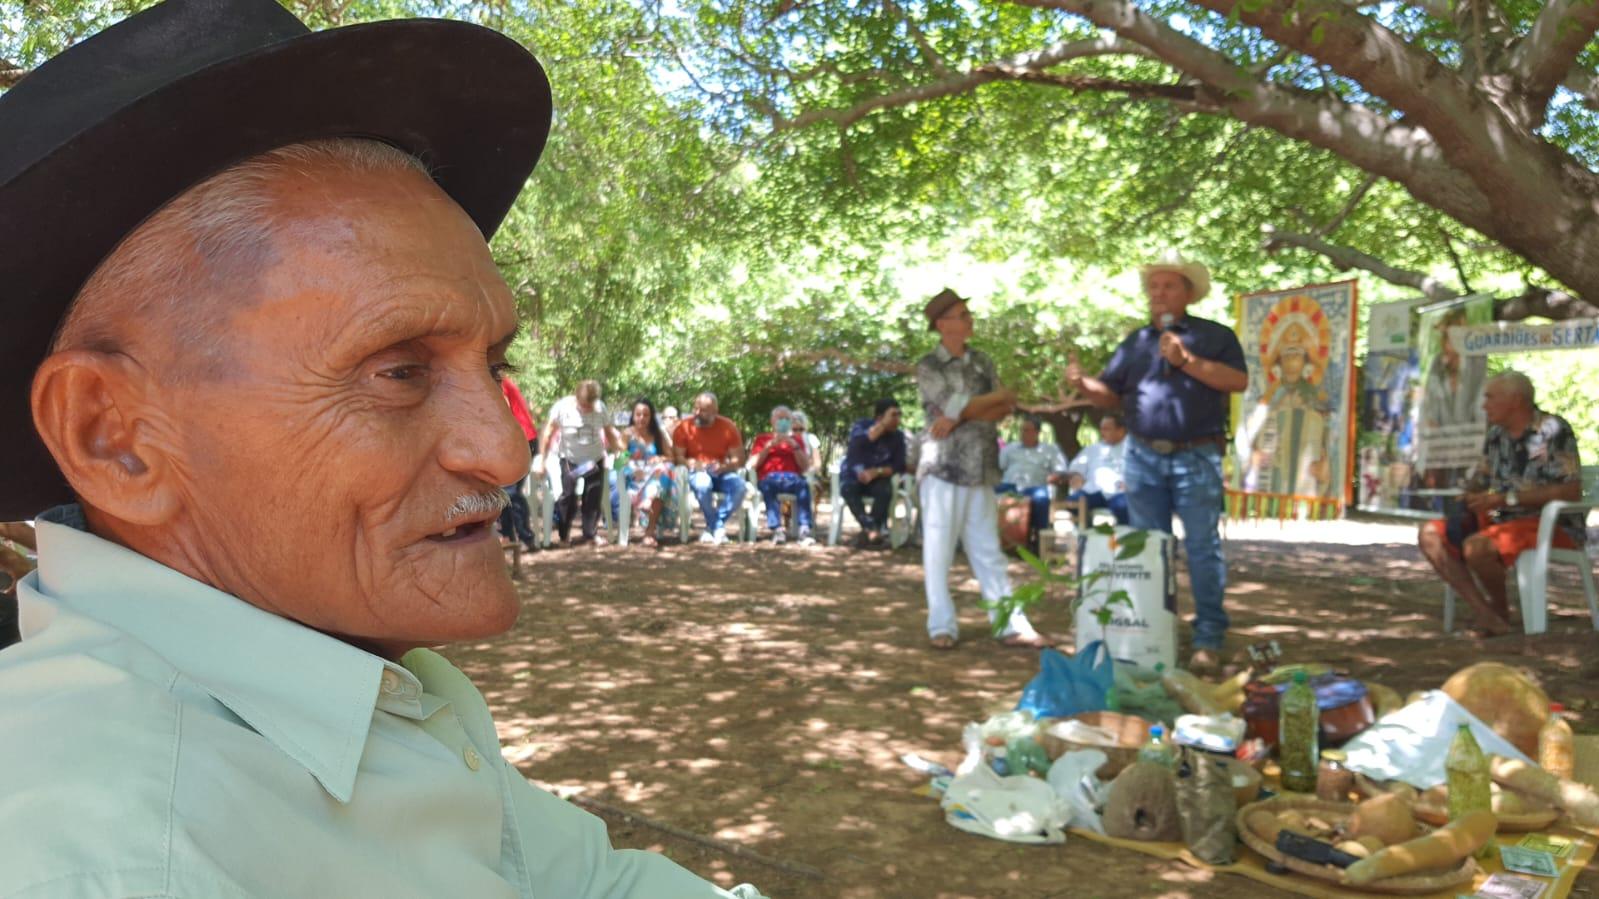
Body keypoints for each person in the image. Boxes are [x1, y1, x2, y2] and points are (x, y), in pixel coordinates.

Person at [0, 3, 767, 897]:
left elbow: (582, 879)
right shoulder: (115, 853)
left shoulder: (359, 683)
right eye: (398, 371)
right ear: (115, 438)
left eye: (492, 363)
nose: (506, 453)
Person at [1065, 253, 1248, 672]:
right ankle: (1153, 631)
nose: (1158, 294)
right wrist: (1083, 384)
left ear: (1187, 293)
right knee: (1150, 550)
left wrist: (1186, 361)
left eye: (1168, 286)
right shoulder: (1135, 342)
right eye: (1153, 287)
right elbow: (1110, 395)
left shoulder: (1214, 336)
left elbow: (1238, 381)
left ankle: (1208, 637)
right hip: (1143, 455)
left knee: (1203, 548)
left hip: (1197, 455)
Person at [916, 289, 1048, 650]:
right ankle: (941, 625)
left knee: (989, 550)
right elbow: (949, 407)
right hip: (942, 466)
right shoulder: (929, 365)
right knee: (939, 551)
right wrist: (977, 405)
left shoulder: (983, 362)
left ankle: (1010, 624)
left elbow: (1002, 407)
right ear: (942, 325)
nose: (969, 319)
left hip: (982, 466)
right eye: (962, 314)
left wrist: (964, 411)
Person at [1417, 372, 1585, 636]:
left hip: (1550, 524)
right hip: (1503, 520)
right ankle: (1487, 615)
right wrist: (1469, 495)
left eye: (1490, 397)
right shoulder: (1496, 436)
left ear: (1516, 400)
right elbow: (1481, 479)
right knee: (1429, 534)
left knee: (1477, 548)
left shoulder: (1554, 430)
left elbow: (1570, 491)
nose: (1484, 405)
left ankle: (1499, 611)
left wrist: (1506, 499)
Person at [538, 379, 623, 547]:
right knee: (567, 498)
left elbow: (609, 431)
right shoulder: (562, 408)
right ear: (576, 398)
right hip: (570, 459)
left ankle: (590, 534)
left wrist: (618, 451)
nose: (588, 409)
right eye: (584, 405)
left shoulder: (600, 408)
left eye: (591, 405)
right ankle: (563, 536)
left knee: (593, 497)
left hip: (595, 459)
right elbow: (548, 433)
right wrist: (542, 459)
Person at [672, 392, 748, 544]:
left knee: (740, 486)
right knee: (703, 483)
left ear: (715, 411)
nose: (697, 413)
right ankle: (718, 528)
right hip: (697, 472)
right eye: (696, 408)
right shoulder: (684, 427)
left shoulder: (728, 427)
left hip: (721, 472)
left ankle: (712, 526)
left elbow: (739, 460)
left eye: (703, 410)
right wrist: (691, 463)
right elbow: (677, 457)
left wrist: (725, 466)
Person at [995, 415, 1071, 550]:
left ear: (1037, 432)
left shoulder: (1050, 450)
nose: (1023, 434)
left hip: (1035, 486)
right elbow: (999, 467)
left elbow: (1061, 472)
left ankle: (1038, 541)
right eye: (1022, 430)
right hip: (1010, 484)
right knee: (988, 495)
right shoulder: (1011, 448)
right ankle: (995, 538)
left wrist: (1055, 477)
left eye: (1027, 430)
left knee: (1041, 499)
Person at [840, 398, 908, 547]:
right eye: (893, 415)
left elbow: (898, 465)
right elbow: (859, 444)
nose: (898, 419)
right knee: (847, 489)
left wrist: (877, 471)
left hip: (879, 478)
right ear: (879, 417)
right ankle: (872, 529)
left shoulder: (898, 437)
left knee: (885, 490)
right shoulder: (861, 426)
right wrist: (882, 425)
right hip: (854, 476)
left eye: (899, 415)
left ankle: (869, 533)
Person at [749, 405, 816, 545]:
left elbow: (805, 467)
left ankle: (804, 529)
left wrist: (794, 446)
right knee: (768, 486)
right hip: (769, 478)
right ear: (772, 421)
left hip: (792, 478)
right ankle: (777, 529)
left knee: (803, 485)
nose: (783, 421)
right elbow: (752, 465)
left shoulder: (797, 441)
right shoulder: (762, 439)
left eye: (787, 419)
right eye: (780, 418)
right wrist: (768, 447)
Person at [622, 397, 675, 548]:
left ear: (651, 417)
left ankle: (649, 531)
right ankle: (647, 500)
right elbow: (620, 460)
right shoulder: (627, 434)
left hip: (656, 476)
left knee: (664, 471)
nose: (642, 418)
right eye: (638, 414)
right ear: (633, 415)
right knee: (661, 478)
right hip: (634, 476)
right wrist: (632, 464)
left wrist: (659, 457)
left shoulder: (658, 434)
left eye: (646, 414)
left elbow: (671, 457)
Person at [1066, 411, 1131, 525]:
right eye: (1101, 429)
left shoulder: (1132, 449)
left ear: (1121, 430)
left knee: (1123, 507)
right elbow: (1075, 469)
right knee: (1073, 502)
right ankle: (1089, 535)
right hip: (1094, 491)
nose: (1102, 432)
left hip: (1120, 492)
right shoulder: (1093, 449)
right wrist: (1077, 476)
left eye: (1107, 429)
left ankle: (1121, 539)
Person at [498, 374, 539, 550]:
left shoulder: (494, 379)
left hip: (519, 438)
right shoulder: (496, 377)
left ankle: (525, 537)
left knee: (510, 491)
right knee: (502, 490)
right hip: (518, 438)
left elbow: (502, 410)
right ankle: (508, 535)